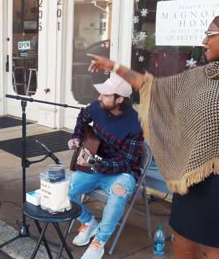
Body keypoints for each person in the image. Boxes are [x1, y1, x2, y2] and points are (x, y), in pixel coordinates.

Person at [87, 15, 219, 259]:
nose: (204, 41)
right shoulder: (201, 76)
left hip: (217, 186)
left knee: (214, 248)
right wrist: (113, 67)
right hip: (190, 177)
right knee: (182, 239)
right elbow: (153, 87)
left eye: (210, 35)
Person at [67, 74, 144, 259]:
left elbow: (126, 161)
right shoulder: (98, 106)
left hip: (122, 172)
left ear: (119, 100)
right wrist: (76, 136)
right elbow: (82, 117)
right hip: (96, 165)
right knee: (64, 191)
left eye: (105, 95)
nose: (99, 98)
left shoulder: (134, 124)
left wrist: (97, 164)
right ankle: (88, 222)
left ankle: (99, 242)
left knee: (118, 193)